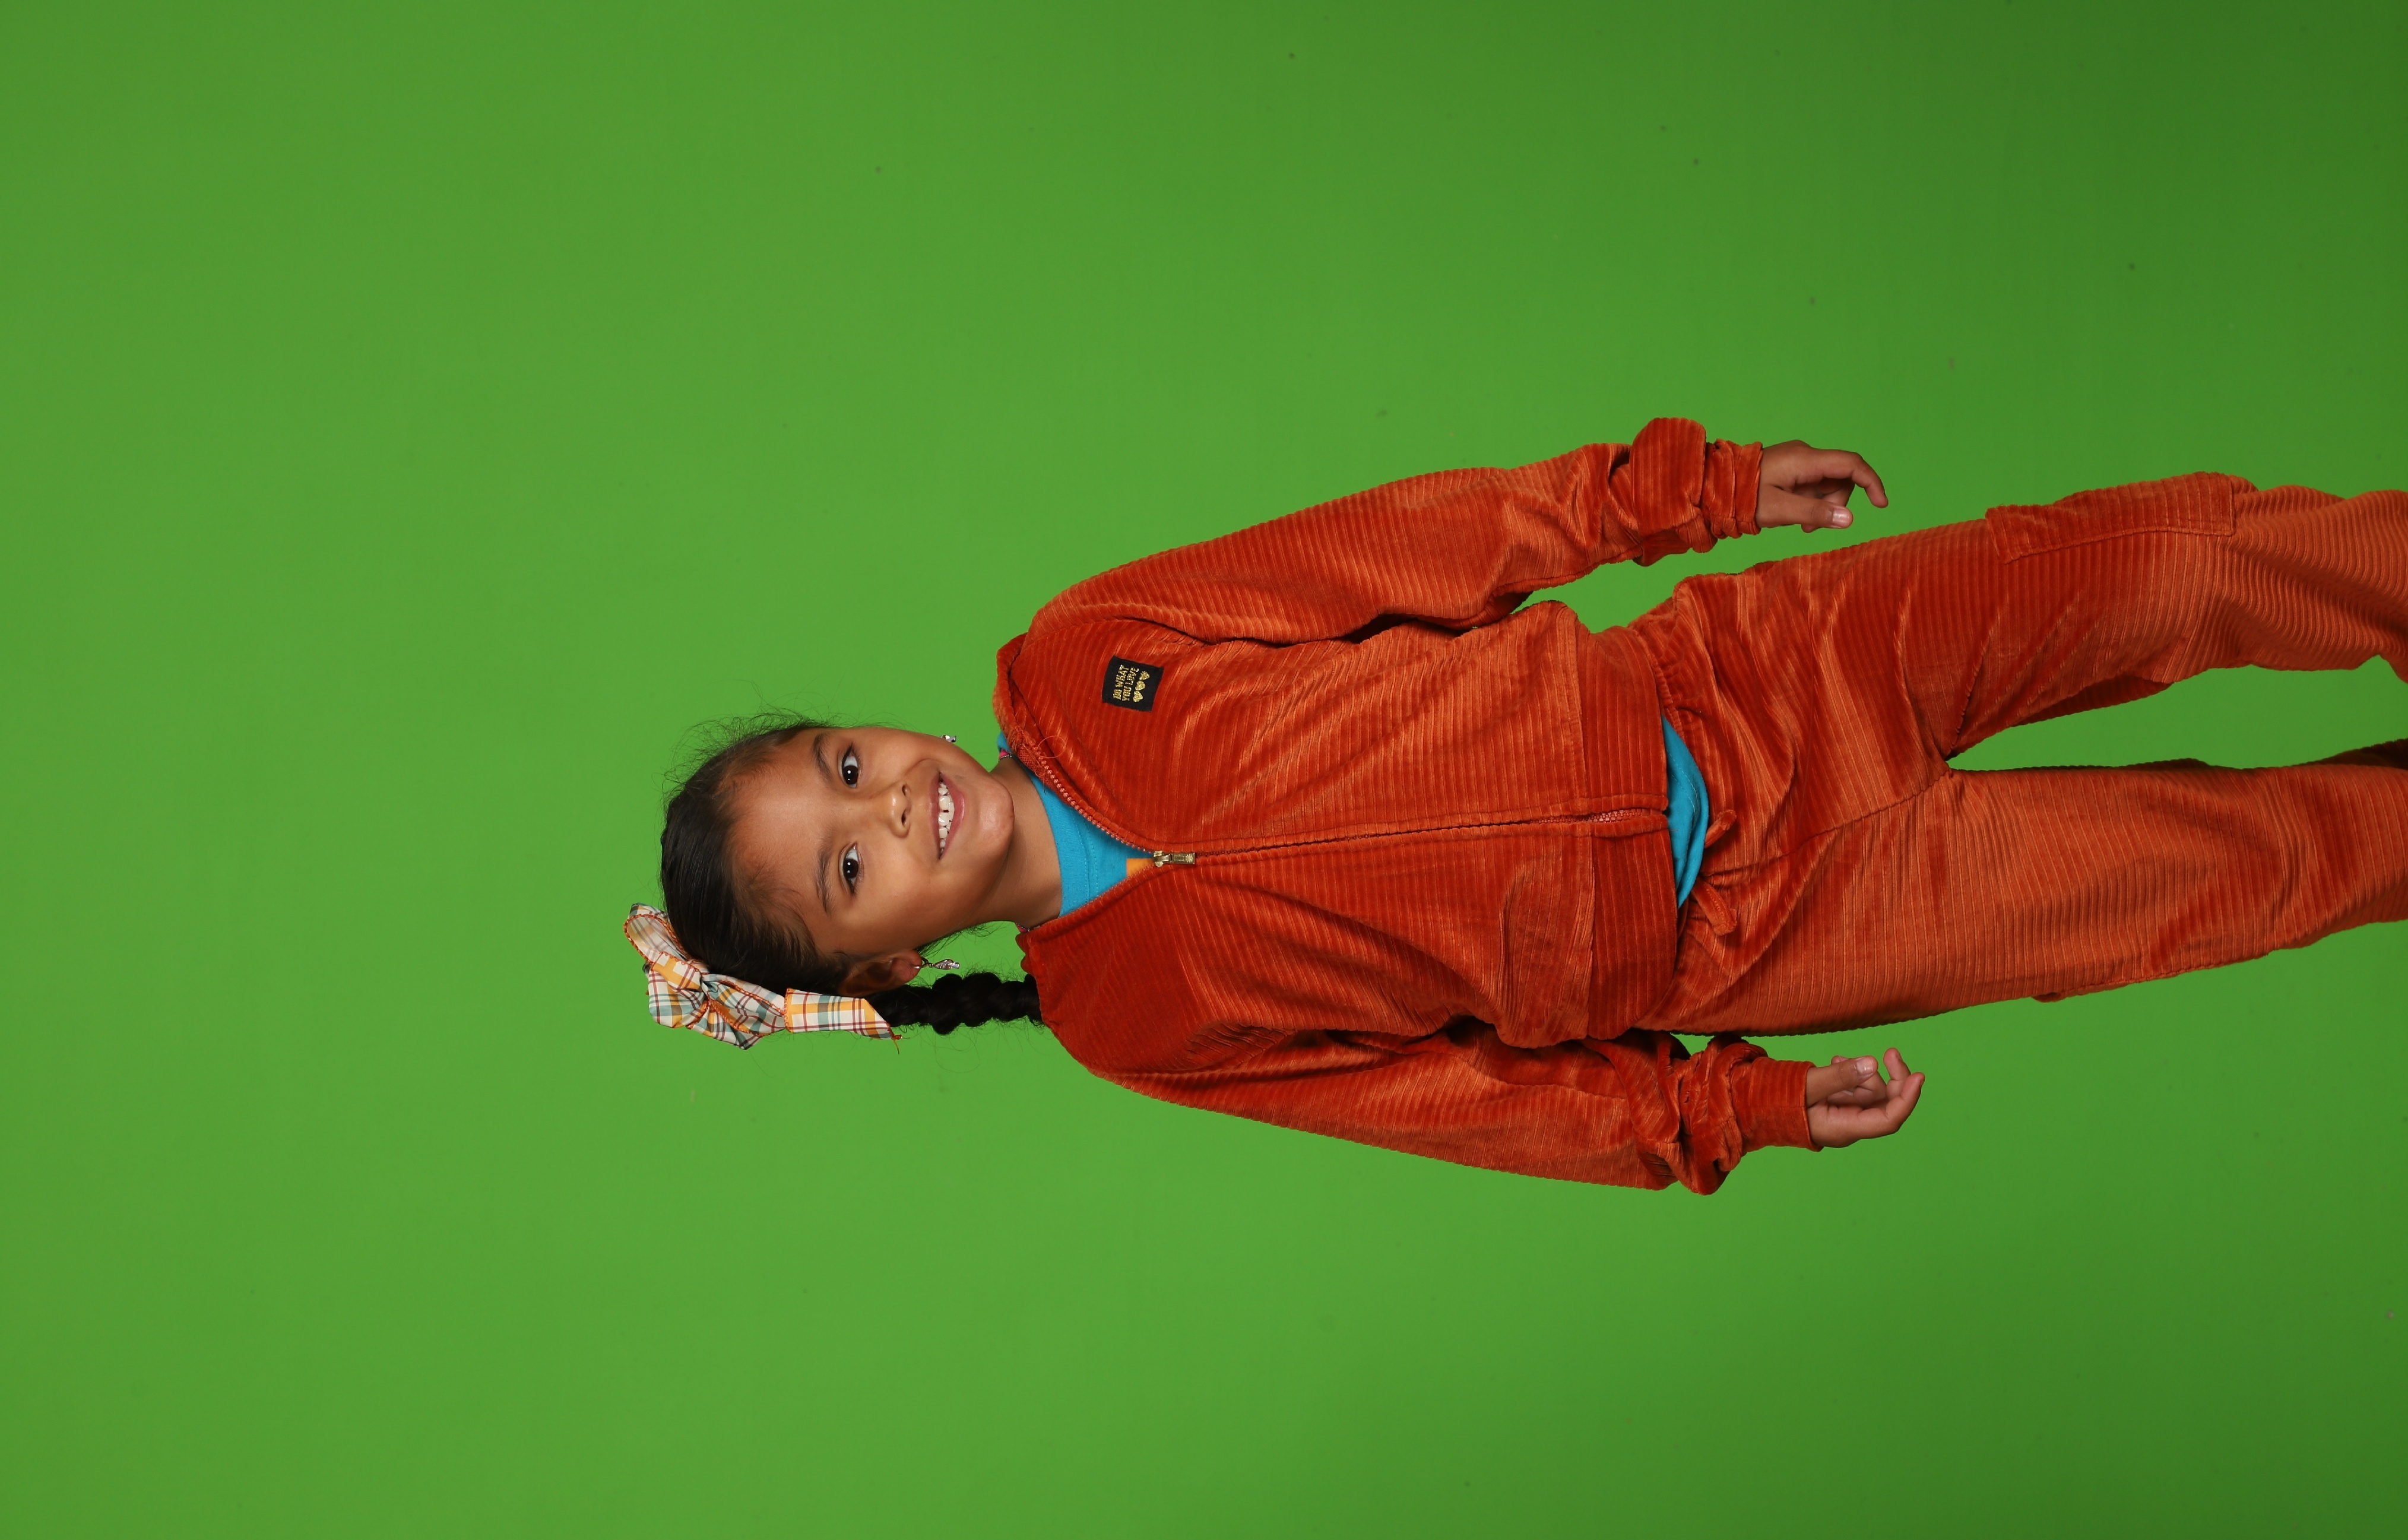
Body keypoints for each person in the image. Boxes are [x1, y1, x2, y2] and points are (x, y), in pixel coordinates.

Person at [629, 419, 2408, 1193]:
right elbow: (1459, 1102)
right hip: (1766, 933)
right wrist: (1730, 1113)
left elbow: (1402, 546)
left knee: (2186, 562)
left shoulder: (1093, 651)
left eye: (843, 765)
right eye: (847, 870)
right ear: (890, 970)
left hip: (1749, 676)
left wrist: (1676, 495)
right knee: (2234, 871)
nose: (892, 806)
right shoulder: (1130, 1022)